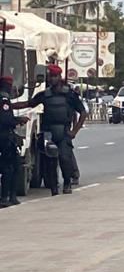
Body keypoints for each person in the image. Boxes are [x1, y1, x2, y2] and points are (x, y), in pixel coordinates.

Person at [13, 65, 84, 196]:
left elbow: (83, 112)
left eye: (54, 76)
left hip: (63, 132)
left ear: (59, 77)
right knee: (50, 162)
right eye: (50, 76)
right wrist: (7, 105)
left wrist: (75, 131)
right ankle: (54, 187)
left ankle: (67, 182)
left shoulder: (69, 94)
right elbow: (29, 104)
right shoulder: (44, 95)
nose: (52, 79)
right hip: (48, 132)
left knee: (64, 158)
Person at [0, 75, 27, 207]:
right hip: (4, 137)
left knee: (10, 166)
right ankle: (7, 197)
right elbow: (5, 120)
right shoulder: (4, 100)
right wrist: (18, 120)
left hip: (5, 136)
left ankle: (9, 196)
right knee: (10, 167)